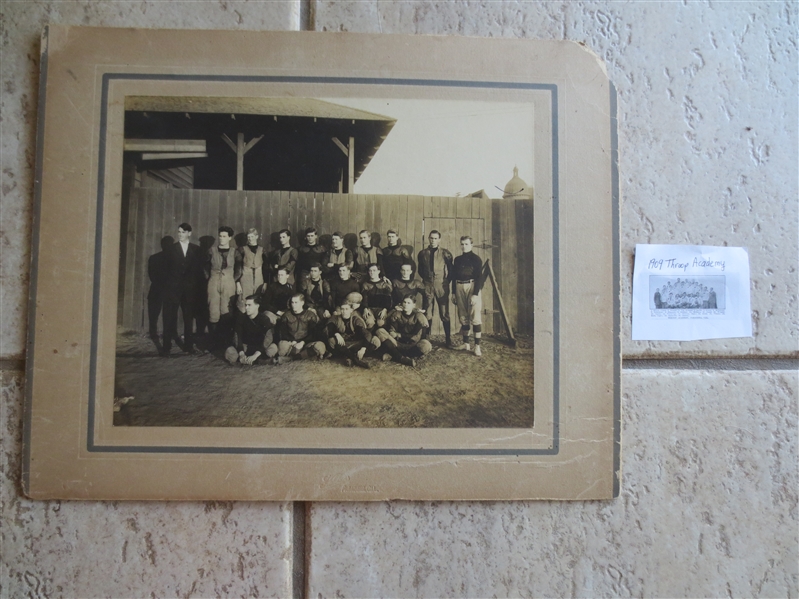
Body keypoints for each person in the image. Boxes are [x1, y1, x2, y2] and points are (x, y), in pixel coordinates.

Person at [162, 223, 203, 355]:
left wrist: (193, 287)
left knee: (188, 319)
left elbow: (198, 271)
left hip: (189, 291)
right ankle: (166, 348)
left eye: (183, 232)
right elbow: (165, 271)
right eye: (179, 232)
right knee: (169, 318)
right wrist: (170, 286)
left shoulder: (196, 250)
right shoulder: (170, 249)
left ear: (189, 233)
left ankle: (188, 346)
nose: (180, 234)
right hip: (173, 290)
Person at [417, 230, 454, 346]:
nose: (433, 240)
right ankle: (426, 339)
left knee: (444, 312)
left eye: (435, 238)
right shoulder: (422, 253)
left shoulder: (445, 253)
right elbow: (420, 270)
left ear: (439, 240)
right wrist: (427, 281)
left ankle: (448, 340)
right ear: (428, 238)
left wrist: (446, 281)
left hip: (441, 285)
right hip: (428, 284)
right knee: (427, 311)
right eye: (431, 238)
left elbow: (451, 270)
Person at [265, 294, 325, 364]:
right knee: (282, 347)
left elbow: (313, 334)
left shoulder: (310, 315)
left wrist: (302, 342)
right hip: (291, 343)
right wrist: (293, 341)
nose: (293, 305)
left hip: (306, 343)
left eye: (296, 302)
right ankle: (304, 355)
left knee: (320, 346)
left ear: (302, 303)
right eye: (292, 302)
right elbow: (282, 333)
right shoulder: (286, 315)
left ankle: (290, 358)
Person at [451, 235, 484, 356]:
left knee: (475, 316)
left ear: (471, 245)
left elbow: (479, 277)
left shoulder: (476, 259)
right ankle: (466, 343)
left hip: (472, 286)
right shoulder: (457, 259)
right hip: (459, 286)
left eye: (466, 244)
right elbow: (454, 277)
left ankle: (477, 346)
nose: (464, 246)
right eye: (462, 244)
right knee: (463, 316)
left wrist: (475, 294)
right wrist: (453, 292)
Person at [377, 296, 432, 367]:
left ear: (413, 305)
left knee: (426, 345)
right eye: (404, 302)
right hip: (397, 343)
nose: (406, 305)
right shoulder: (397, 314)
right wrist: (393, 334)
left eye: (409, 303)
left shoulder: (419, 316)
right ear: (402, 303)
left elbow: (415, 337)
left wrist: (399, 335)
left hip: (412, 344)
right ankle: (401, 358)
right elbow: (392, 331)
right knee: (380, 331)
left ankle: (395, 355)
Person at [205, 226, 238, 347]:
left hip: (229, 282)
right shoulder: (211, 250)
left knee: (227, 310)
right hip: (214, 281)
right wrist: (209, 278)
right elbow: (205, 266)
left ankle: (226, 342)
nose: (221, 239)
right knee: (213, 310)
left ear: (229, 237)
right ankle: (214, 342)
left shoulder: (235, 252)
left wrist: (232, 280)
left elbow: (239, 269)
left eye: (224, 236)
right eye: (220, 236)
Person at [325, 299, 378, 369]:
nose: (344, 311)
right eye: (342, 309)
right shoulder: (335, 318)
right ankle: (356, 360)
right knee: (332, 341)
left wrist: (363, 348)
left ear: (351, 310)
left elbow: (367, 334)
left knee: (376, 341)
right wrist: (337, 334)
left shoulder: (356, 319)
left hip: (355, 344)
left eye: (346, 309)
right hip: (342, 344)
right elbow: (329, 329)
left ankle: (349, 356)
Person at [224, 295, 274, 366]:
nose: (246, 308)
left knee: (273, 348)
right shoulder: (241, 318)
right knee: (229, 352)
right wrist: (241, 354)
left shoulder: (264, 319)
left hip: (260, 347)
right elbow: (237, 337)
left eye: (249, 305)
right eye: (246, 305)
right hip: (246, 347)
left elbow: (268, 338)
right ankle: (256, 361)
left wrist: (256, 355)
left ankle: (254, 359)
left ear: (257, 306)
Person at [235, 228, 265, 312]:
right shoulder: (242, 250)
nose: (250, 239)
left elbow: (266, 268)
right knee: (244, 302)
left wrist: (265, 283)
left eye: (252, 236)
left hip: (259, 280)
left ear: (256, 237)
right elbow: (237, 268)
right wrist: (237, 283)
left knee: (257, 301)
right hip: (245, 280)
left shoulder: (262, 250)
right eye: (248, 237)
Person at [361, 263, 393, 329]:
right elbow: (364, 299)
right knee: (369, 323)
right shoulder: (365, 284)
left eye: (374, 270)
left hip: (381, 309)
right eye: (370, 271)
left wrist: (385, 310)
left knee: (381, 323)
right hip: (370, 308)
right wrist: (365, 308)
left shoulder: (385, 284)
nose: (372, 272)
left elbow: (389, 299)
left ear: (379, 271)